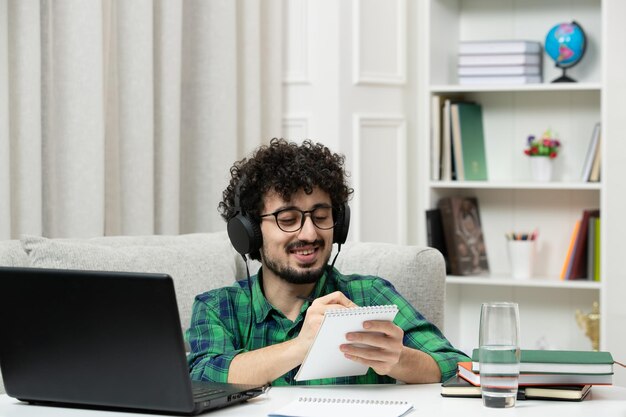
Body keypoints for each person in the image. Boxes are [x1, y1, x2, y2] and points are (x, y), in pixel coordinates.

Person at [186, 138, 469, 386]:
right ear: (249, 232)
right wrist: (301, 346)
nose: (310, 233)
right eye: (288, 220)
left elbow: (457, 366)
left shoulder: (369, 295)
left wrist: (400, 359)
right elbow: (200, 376)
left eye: (321, 217)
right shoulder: (218, 308)